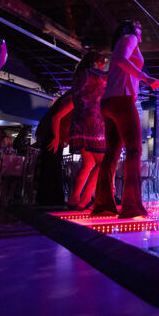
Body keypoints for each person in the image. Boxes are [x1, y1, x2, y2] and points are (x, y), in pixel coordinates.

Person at [91, 20, 159, 219]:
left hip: (109, 102)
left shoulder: (119, 44)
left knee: (111, 154)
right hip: (122, 100)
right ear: (133, 31)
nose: (140, 31)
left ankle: (104, 203)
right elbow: (122, 61)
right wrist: (146, 78)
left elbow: (117, 66)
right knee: (134, 149)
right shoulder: (129, 39)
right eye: (138, 27)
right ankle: (131, 205)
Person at [49, 51, 108, 210]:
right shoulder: (95, 74)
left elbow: (56, 116)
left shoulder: (77, 82)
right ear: (96, 62)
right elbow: (113, 76)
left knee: (88, 163)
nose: (103, 65)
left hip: (78, 127)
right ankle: (85, 199)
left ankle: (74, 199)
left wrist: (56, 137)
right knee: (104, 163)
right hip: (94, 125)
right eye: (102, 62)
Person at [35, 92, 73, 205]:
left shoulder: (69, 97)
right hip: (53, 134)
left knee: (52, 166)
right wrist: (57, 138)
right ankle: (51, 200)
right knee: (52, 166)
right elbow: (56, 118)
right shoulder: (73, 99)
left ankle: (50, 200)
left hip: (52, 134)